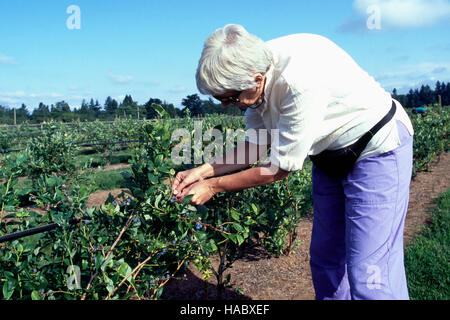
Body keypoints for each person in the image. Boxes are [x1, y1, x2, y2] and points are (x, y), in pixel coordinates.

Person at [171, 24, 414, 300]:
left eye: (229, 97)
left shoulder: (298, 81)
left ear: (256, 78)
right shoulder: (252, 83)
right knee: (326, 261)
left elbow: (278, 168)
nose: (227, 105)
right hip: (329, 156)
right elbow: (255, 145)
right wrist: (200, 172)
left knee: (371, 273)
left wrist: (213, 186)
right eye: (220, 99)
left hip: (376, 148)